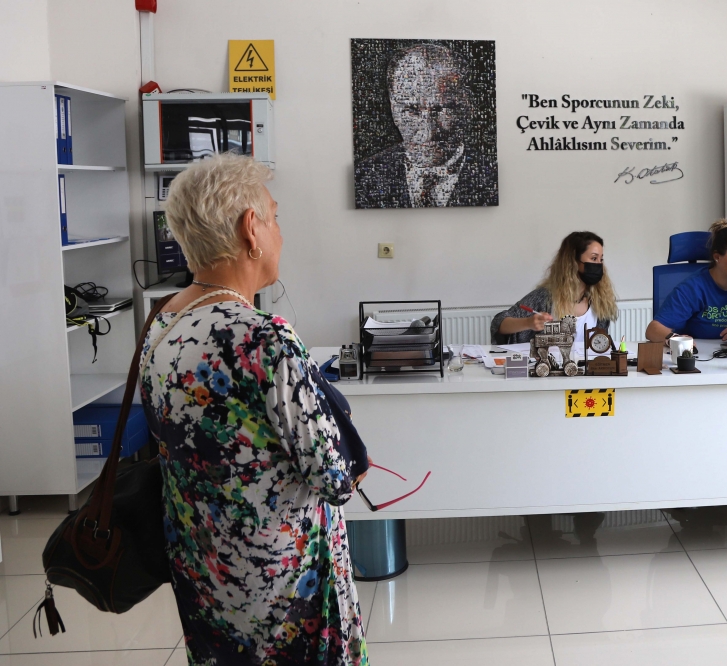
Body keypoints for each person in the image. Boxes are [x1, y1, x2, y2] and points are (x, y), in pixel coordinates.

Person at [141, 153, 370, 666]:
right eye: (275, 217)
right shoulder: (263, 338)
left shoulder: (162, 323)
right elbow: (334, 477)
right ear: (251, 228)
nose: (280, 233)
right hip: (281, 585)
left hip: (204, 569)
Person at [353, 43, 499, 208]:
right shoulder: (362, 179)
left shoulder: (494, 179)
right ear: (392, 107)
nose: (428, 132)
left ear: (468, 106)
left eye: (441, 109)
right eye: (411, 110)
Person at [491, 231, 617, 346]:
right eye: (594, 258)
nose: (599, 265)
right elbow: (499, 322)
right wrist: (528, 323)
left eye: (601, 259)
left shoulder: (600, 301)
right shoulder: (544, 297)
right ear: (573, 260)